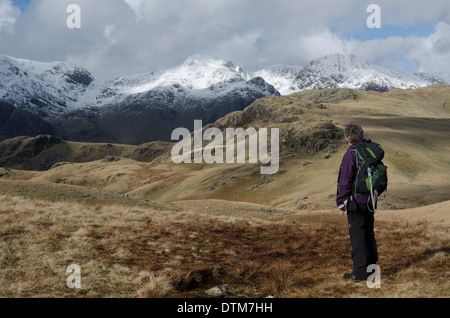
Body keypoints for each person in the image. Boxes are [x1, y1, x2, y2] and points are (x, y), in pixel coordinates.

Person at [336, 123, 378, 281]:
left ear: (346, 138)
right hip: (370, 199)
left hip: (356, 201)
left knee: (358, 236)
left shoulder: (351, 154)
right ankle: (372, 268)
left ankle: (360, 273)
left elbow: (345, 180)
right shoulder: (369, 149)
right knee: (368, 232)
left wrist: (341, 202)